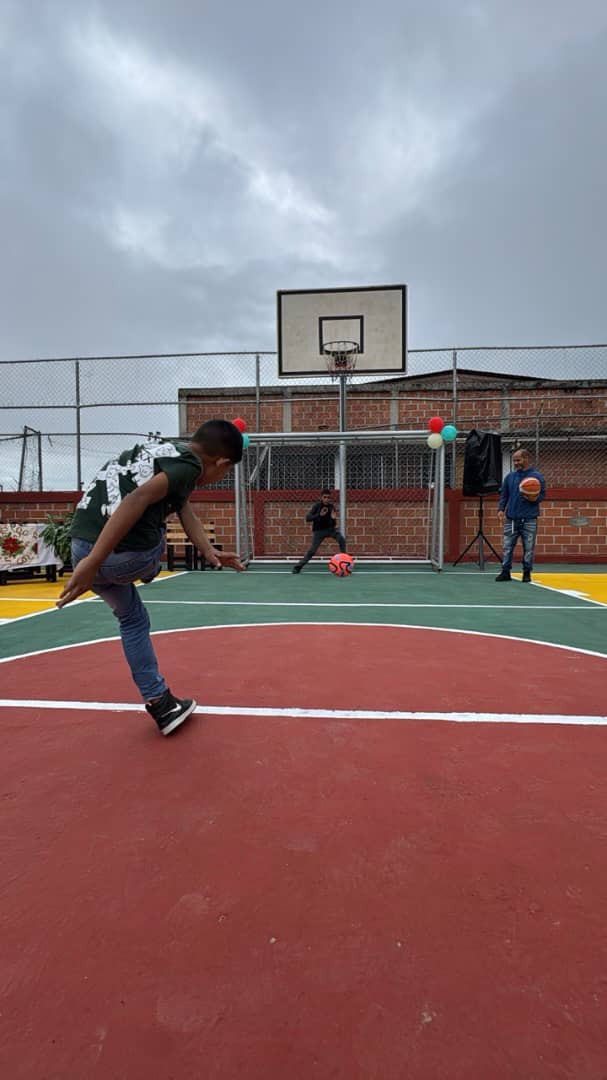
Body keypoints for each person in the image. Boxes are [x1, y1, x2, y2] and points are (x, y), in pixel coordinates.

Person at [56, 420, 246, 735]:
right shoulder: (189, 466)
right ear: (222, 462)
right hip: (121, 556)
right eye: (225, 472)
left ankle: (162, 704)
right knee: (154, 526)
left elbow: (185, 510)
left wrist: (210, 552)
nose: (220, 478)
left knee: (133, 620)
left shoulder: (165, 453)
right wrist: (95, 562)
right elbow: (135, 500)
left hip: (80, 545)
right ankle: (147, 571)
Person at [495, 447, 546, 583]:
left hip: (529, 518)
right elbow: (504, 495)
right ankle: (505, 571)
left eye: (518, 460)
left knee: (529, 547)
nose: (516, 463)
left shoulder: (536, 477)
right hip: (511, 518)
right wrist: (501, 509)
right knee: (507, 546)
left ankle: (526, 572)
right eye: (514, 460)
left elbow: (542, 495)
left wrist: (535, 498)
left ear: (526, 459)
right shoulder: (510, 477)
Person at [292, 487, 347, 573]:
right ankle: (298, 567)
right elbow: (308, 518)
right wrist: (319, 515)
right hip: (318, 531)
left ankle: (345, 561)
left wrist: (333, 519)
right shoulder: (317, 506)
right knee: (312, 550)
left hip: (330, 530)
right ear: (321, 497)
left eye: (328, 497)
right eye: (324, 497)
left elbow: (333, 524)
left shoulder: (331, 507)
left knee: (341, 539)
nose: (326, 499)